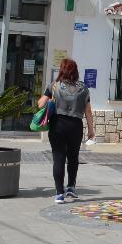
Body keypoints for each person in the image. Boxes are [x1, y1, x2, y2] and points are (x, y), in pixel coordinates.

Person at [38, 58, 94, 203]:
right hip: (76, 127)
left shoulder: (54, 86)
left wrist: (50, 100)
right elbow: (88, 111)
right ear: (75, 71)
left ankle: (59, 193)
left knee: (59, 158)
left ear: (61, 70)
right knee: (73, 157)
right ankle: (71, 187)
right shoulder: (83, 88)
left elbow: (40, 104)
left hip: (58, 125)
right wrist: (91, 130)